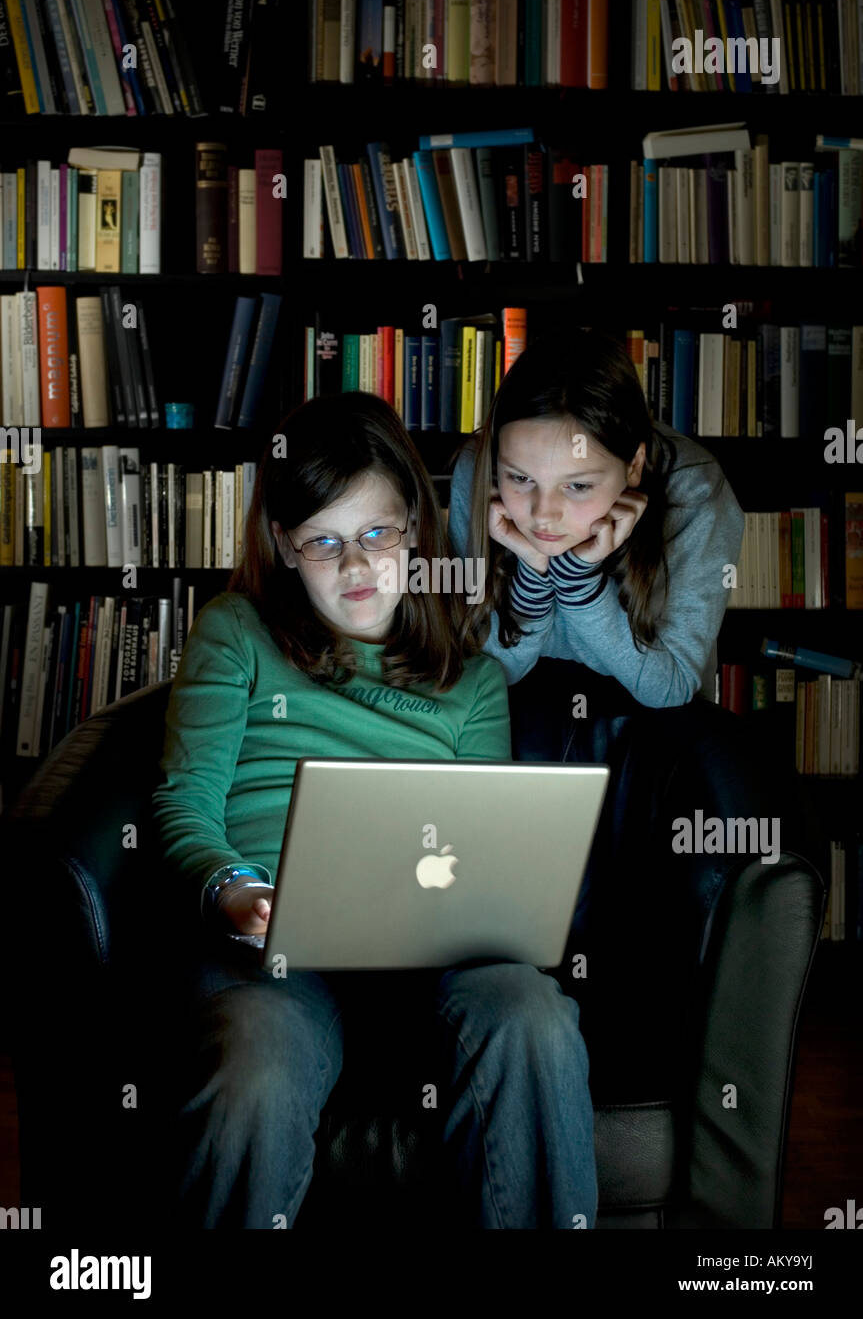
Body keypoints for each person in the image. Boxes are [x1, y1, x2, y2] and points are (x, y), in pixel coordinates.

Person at [150, 391, 597, 1230]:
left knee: (532, 1017)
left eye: (377, 535)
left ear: (416, 531)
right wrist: (232, 888)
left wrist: (492, 915)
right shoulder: (234, 632)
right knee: (256, 1061)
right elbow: (187, 803)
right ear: (283, 544)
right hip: (272, 950)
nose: (356, 568)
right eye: (323, 542)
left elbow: (483, 850)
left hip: (433, 955)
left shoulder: (472, 682)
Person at [448, 327, 745, 707]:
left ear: (633, 466)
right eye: (520, 478)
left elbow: (668, 689)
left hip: (652, 728)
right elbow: (483, 671)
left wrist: (578, 586)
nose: (543, 515)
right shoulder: (476, 472)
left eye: (578, 486)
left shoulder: (697, 491)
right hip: (507, 710)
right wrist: (532, 574)